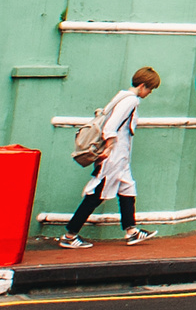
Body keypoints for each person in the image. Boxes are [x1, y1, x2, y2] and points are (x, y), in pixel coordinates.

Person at [57, 67, 160, 247]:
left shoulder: (121, 96)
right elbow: (111, 127)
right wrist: (110, 146)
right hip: (114, 156)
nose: (150, 92)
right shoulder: (131, 101)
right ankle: (70, 236)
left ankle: (132, 231)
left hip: (121, 158)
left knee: (127, 189)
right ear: (143, 85)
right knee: (97, 194)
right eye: (150, 88)